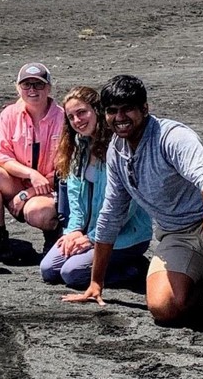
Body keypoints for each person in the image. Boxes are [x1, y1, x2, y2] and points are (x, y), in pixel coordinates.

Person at [64, 75, 203, 334]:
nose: (120, 117)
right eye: (112, 111)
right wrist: (96, 282)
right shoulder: (117, 151)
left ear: (145, 109)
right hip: (177, 234)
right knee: (164, 309)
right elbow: (111, 214)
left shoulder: (172, 137)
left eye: (127, 109)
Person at [40, 86, 151, 289]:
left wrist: (92, 239)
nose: (77, 121)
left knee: (72, 274)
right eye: (71, 117)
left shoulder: (119, 148)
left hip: (125, 235)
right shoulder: (78, 148)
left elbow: (125, 207)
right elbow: (74, 197)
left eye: (82, 112)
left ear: (97, 110)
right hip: (88, 231)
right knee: (49, 270)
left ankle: (136, 268)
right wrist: (73, 231)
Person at [0, 62, 65, 261]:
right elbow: (2, 156)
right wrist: (31, 175)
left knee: (38, 212)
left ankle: (53, 235)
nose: (32, 90)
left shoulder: (63, 118)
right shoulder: (9, 114)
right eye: (26, 85)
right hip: (20, 182)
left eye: (38, 84)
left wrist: (29, 192)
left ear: (49, 87)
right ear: (18, 88)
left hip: (51, 188)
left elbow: (64, 170)